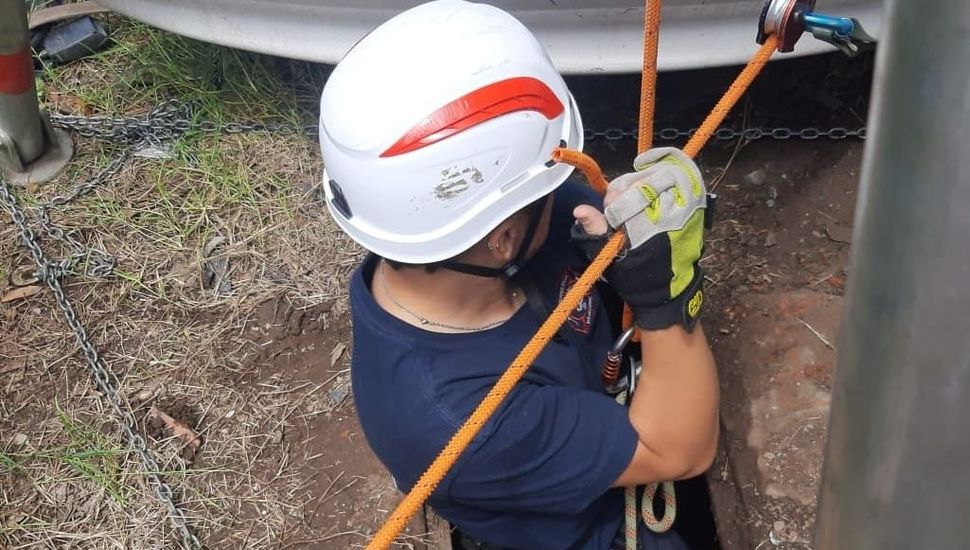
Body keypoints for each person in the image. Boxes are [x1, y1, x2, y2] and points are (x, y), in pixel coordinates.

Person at [317, 1, 719, 548]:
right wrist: (667, 296)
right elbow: (681, 450)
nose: (566, 190)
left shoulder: (462, 242)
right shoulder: (455, 419)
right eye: (548, 185)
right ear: (502, 238)